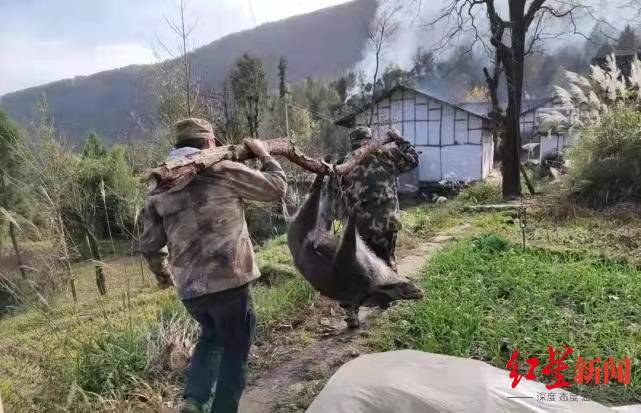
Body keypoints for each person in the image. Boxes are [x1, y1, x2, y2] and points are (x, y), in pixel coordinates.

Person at [140, 118, 287, 413]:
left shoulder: (159, 188)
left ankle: (194, 400)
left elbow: (150, 245)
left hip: (191, 289)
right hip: (229, 280)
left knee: (212, 336)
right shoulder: (223, 170)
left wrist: (163, 274)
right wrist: (264, 154)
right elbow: (276, 188)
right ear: (209, 143)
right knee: (235, 350)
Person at [340, 126, 419, 273]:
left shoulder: (345, 163)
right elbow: (414, 159)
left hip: (359, 226)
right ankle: (390, 285)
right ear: (370, 140)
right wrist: (399, 139)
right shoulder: (387, 154)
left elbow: (338, 197)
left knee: (364, 268)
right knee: (387, 266)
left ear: (352, 143)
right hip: (385, 223)